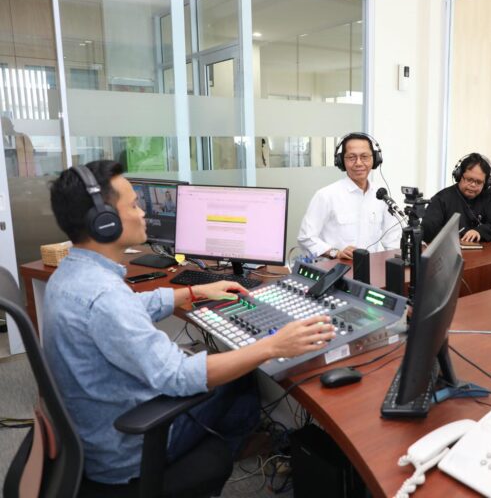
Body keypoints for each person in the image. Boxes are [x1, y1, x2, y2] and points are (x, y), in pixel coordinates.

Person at [43, 160, 335, 484]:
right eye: (134, 205)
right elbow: (179, 376)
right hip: (130, 453)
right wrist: (272, 346)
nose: (143, 212)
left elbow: (128, 308)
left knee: (225, 363)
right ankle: (227, 455)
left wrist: (192, 292)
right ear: (105, 222)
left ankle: (236, 447)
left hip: (97, 434)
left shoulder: (72, 274)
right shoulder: (104, 296)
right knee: (240, 376)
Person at [297, 132, 400, 259]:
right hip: (336, 267)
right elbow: (306, 238)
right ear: (341, 161)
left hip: (370, 267)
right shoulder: (326, 195)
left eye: (364, 156)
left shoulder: (381, 195)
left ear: (375, 159)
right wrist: (335, 253)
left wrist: (396, 263)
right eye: (351, 157)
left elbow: (393, 239)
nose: (358, 163)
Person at [421, 153, 491, 244]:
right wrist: (458, 235)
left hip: (483, 252)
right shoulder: (441, 198)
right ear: (459, 176)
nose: (473, 185)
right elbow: (428, 229)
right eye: (469, 179)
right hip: (450, 250)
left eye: (479, 182)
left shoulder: (487, 198)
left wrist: (479, 232)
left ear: (486, 183)